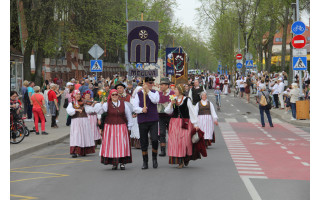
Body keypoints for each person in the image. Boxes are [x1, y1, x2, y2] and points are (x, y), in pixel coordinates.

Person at [95, 89, 133, 170]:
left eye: (116, 94)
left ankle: (122, 163)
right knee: (112, 145)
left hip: (121, 126)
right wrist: (100, 103)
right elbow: (99, 111)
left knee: (122, 144)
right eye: (113, 95)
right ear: (110, 96)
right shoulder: (106, 104)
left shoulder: (123, 104)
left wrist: (130, 125)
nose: (115, 96)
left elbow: (128, 115)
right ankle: (114, 163)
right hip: (110, 127)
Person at [164, 84, 200, 169]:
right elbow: (167, 111)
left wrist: (195, 124)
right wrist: (171, 104)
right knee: (175, 142)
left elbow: (192, 112)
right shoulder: (173, 99)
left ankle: (185, 158)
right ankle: (179, 161)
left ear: (180, 90)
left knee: (185, 142)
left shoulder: (187, 100)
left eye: (175, 89)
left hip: (185, 123)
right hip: (174, 123)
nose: (174, 91)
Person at [132, 77, 160, 169]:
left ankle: (154, 159)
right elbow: (134, 107)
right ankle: (145, 161)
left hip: (153, 120)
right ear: (145, 84)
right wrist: (141, 109)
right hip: (143, 120)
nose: (151, 84)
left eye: (152, 83)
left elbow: (155, 100)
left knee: (155, 139)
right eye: (149, 83)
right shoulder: (139, 94)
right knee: (144, 141)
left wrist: (148, 91)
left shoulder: (155, 93)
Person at [67, 90, 96, 158]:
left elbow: (89, 110)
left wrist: (93, 104)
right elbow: (69, 111)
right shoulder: (71, 103)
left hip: (84, 121)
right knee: (76, 136)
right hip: (76, 121)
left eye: (79, 94)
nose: (78, 96)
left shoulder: (83, 103)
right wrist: (76, 110)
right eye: (77, 94)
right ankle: (74, 151)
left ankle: (82, 151)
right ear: (74, 95)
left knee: (84, 135)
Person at [157, 77, 175, 157]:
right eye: (161, 85)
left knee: (171, 133)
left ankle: (173, 149)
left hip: (170, 116)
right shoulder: (159, 94)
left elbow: (173, 103)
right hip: (161, 116)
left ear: (167, 86)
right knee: (162, 133)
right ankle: (163, 150)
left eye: (163, 85)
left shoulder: (172, 93)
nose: (161, 86)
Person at [130, 84, 142, 149]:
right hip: (134, 116)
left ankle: (140, 142)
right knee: (134, 129)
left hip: (140, 115)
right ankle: (135, 143)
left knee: (139, 129)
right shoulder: (132, 99)